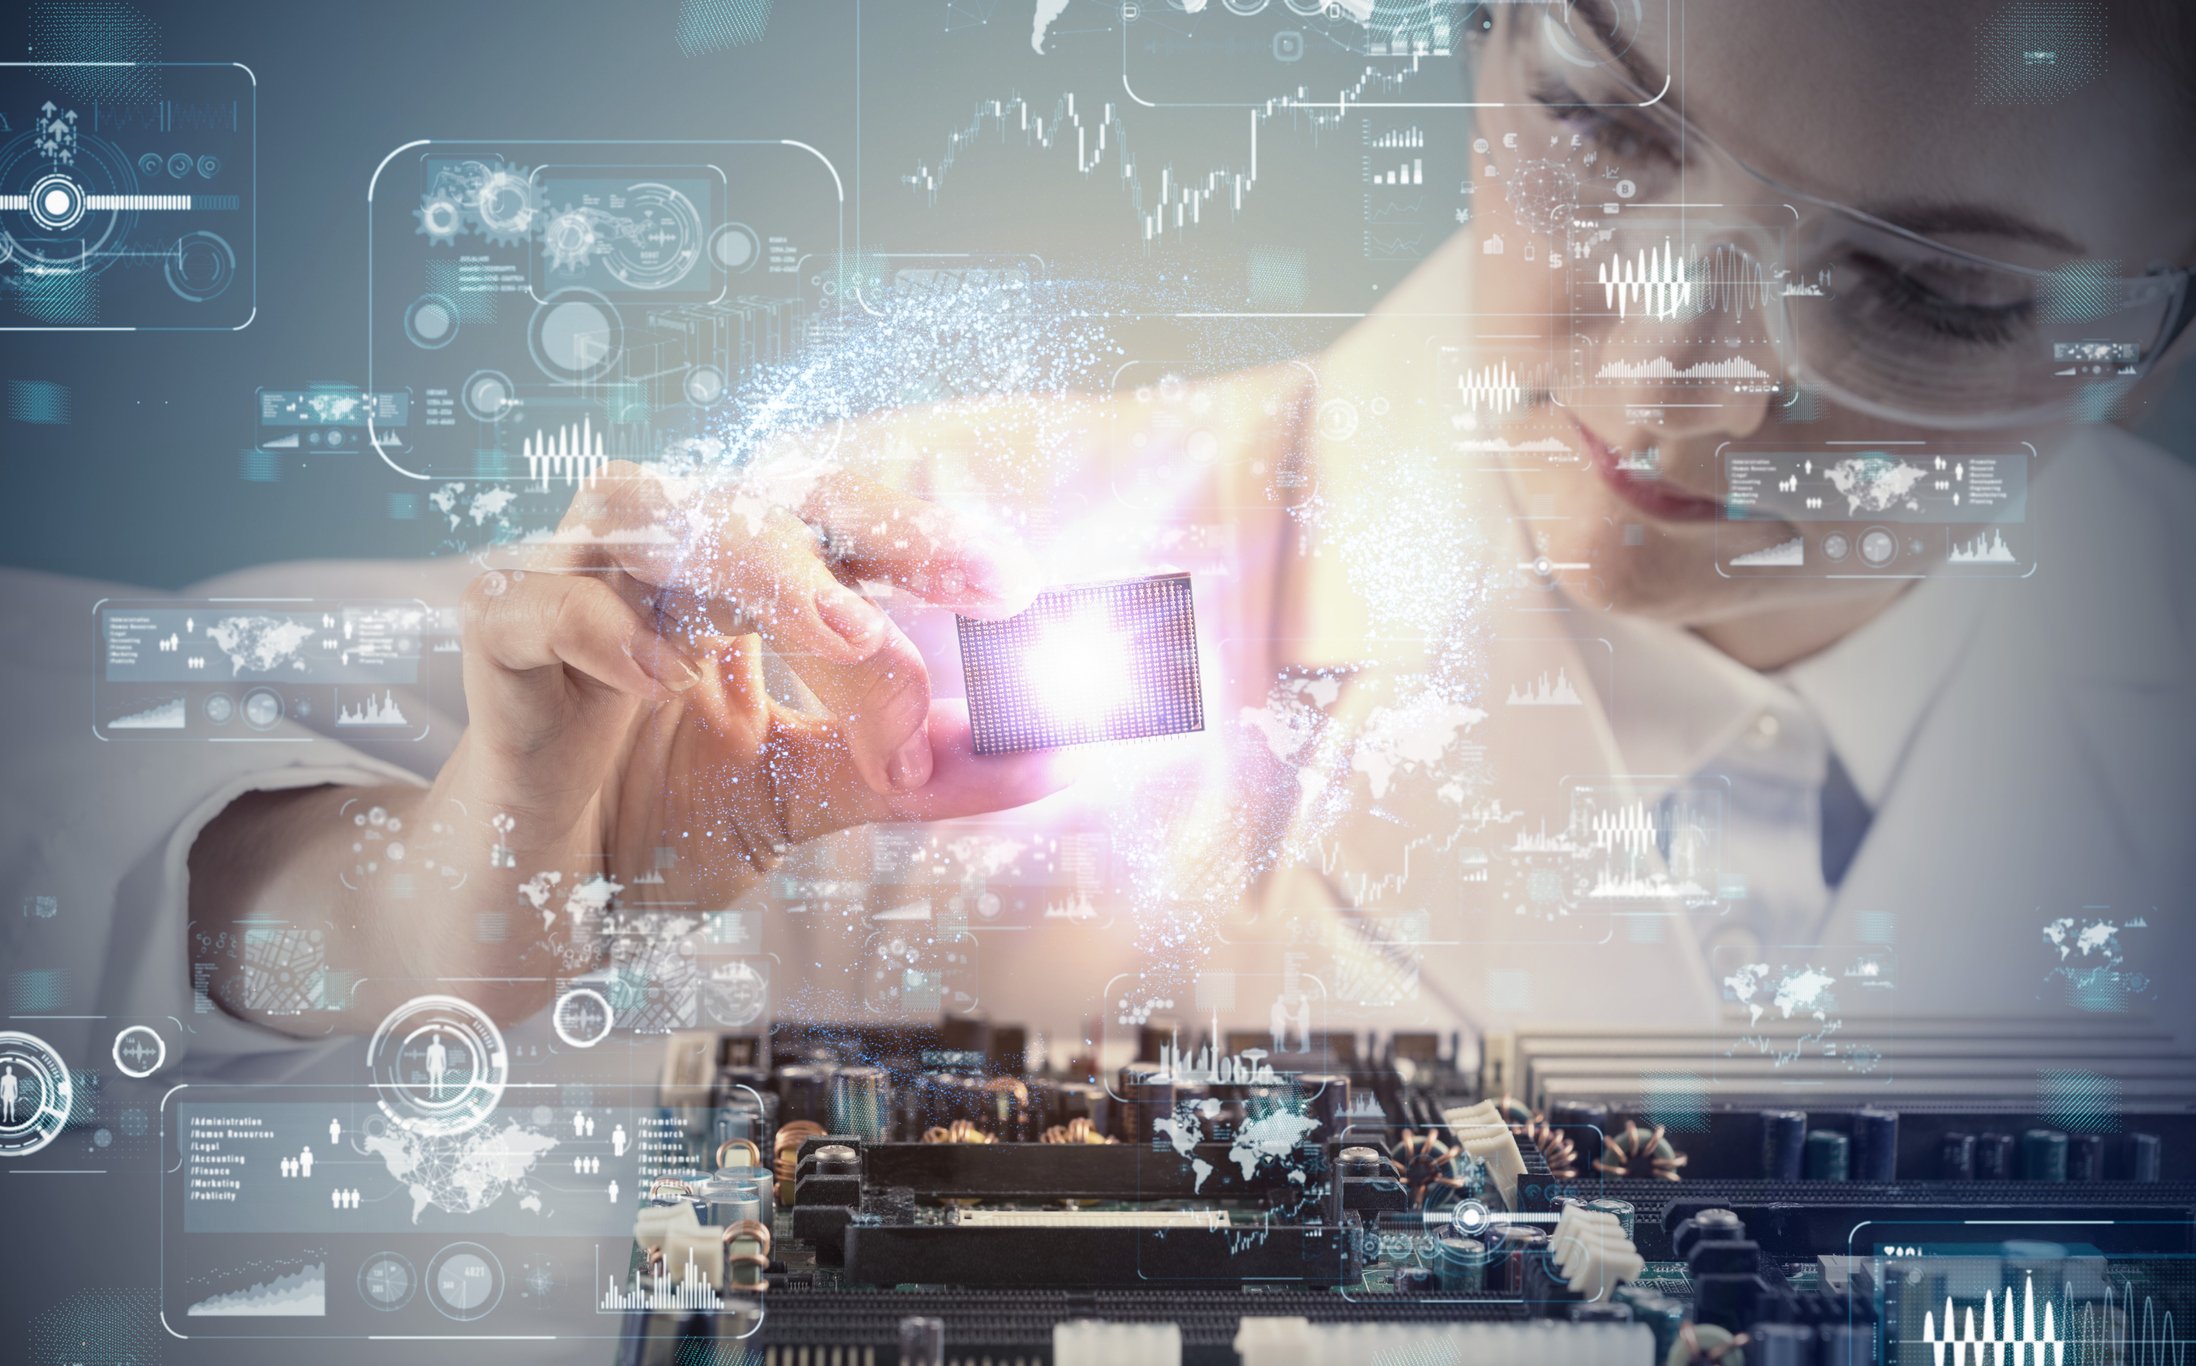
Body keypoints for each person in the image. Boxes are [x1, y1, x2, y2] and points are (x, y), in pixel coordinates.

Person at [7, 0, 2194, 1078]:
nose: (1666, 371)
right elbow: (87, 824)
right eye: (1604, 125)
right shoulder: (936, 605)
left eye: (1936, 293)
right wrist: (449, 888)